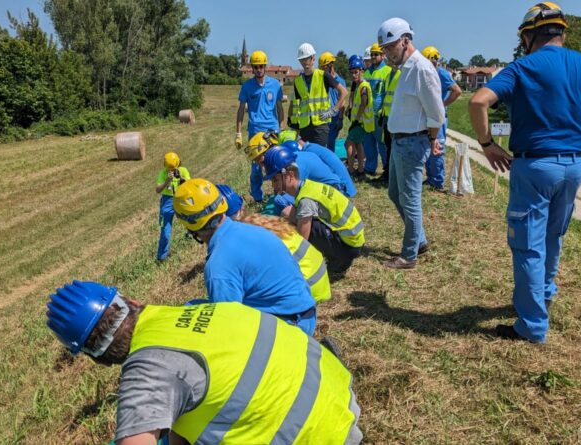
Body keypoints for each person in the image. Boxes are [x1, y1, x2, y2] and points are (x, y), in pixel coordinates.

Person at [468, 2, 581, 343]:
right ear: (561, 31)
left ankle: (532, 326)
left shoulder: (523, 67)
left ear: (529, 35)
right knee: (552, 236)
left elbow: (478, 102)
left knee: (527, 245)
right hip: (574, 165)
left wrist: (487, 143)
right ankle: (544, 296)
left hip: (535, 165)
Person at [46, 281, 363, 445]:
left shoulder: (144, 373)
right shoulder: (196, 311)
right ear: (130, 302)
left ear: (93, 356)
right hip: (342, 406)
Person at [173, 178, 317, 335]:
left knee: (193, 315)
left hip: (290, 329)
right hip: (307, 313)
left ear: (190, 227)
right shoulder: (254, 229)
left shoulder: (218, 266)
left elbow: (228, 327)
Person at [377, 17, 445, 270]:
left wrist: (432, 138)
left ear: (405, 41)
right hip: (400, 142)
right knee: (395, 193)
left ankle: (409, 255)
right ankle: (420, 240)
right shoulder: (405, 69)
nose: (386, 54)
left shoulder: (422, 69)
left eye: (389, 47)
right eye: (384, 49)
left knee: (410, 199)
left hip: (412, 143)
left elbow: (437, 113)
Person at [264, 146, 365, 274]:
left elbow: (302, 239)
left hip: (350, 246)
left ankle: (339, 260)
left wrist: (286, 264)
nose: (273, 185)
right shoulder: (308, 185)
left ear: (289, 175)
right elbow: (290, 216)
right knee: (290, 215)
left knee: (308, 228)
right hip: (354, 238)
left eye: (275, 180)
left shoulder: (306, 200)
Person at [236, 50, 284, 203]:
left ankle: (280, 193)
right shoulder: (247, 86)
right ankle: (258, 197)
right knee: (256, 168)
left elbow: (280, 108)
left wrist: (281, 128)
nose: (258, 70)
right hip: (255, 131)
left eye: (260, 66)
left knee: (276, 163)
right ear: (252, 68)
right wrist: (238, 133)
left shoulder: (275, 85)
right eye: (255, 67)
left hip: (273, 130)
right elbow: (240, 109)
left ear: (265, 66)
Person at [289, 43, 348, 146]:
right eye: (302, 59)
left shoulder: (323, 75)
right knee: (307, 158)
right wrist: (294, 126)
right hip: (304, 127)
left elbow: (344, 92)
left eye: (307, 58)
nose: (305, 62)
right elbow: (296, 105)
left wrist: (333, 111)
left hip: (320, 126)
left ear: (313, 58)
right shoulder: (298, 81)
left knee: (320, 157)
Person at [421, 46, 463, 191]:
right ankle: (431, 177)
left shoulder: (441, 73)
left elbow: (457, 91)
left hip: (439, 117)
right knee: (429, 146)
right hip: (429, 115)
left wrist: (442, 104)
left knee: (437, 147)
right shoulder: (428, 73)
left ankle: (437, 181)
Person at [279, 129, 357, 198]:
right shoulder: (312, 147)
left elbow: (297, 183)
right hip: (346, 186)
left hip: (343, 189)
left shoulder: (308, 152)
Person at [154, 152, 190, 261]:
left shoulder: (183, 170)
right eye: (170, 169)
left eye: (174, 169)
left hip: (181, 198)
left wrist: (182, 179)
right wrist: (167, 181)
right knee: (165, 232)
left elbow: (190, 184)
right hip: (167, 201)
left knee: (192, 219)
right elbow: (157, 190)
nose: (172, 171)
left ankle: (192, 235)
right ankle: (161, 258)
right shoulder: (162, 173)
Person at [363, 43, 392, 176]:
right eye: (372, 54)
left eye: (376, 54)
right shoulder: (367, 72)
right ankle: (370, 168)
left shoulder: (387, 71)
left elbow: (387, 93)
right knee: (368, 142)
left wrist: (383, 112)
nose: (373, 57)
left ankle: (386, 168)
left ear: (383, 55)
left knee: (382, 143)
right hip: (368, 114)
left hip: (380, 114)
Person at [344, 55, 372, 177]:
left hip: (360, 122)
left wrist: (356, 120)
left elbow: (363, 104)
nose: (354, 75)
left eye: (356, 72)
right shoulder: (359, 85)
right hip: (360, 122)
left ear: (362, 71)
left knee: (348, 143)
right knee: (358, 144)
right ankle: (360, 169)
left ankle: (351, 169)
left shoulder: (364, 86)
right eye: (352, 73)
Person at [319, 51, 347, 150]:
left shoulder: (340, 81)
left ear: (331, 65)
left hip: (334, 118)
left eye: (324, 67)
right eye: (321, 67)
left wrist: (340, 119)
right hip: (323, 116)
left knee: (330, 143)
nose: (322, 69)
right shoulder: (321, 80)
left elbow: (343, 102)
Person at [378, 66, 400, 182]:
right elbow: (385, 96)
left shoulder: (401, 74)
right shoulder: (388, 75)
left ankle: (393, 175)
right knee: (388, 145)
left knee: (394, 147)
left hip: (396, 117)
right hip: (387, 116)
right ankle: (388, 173)